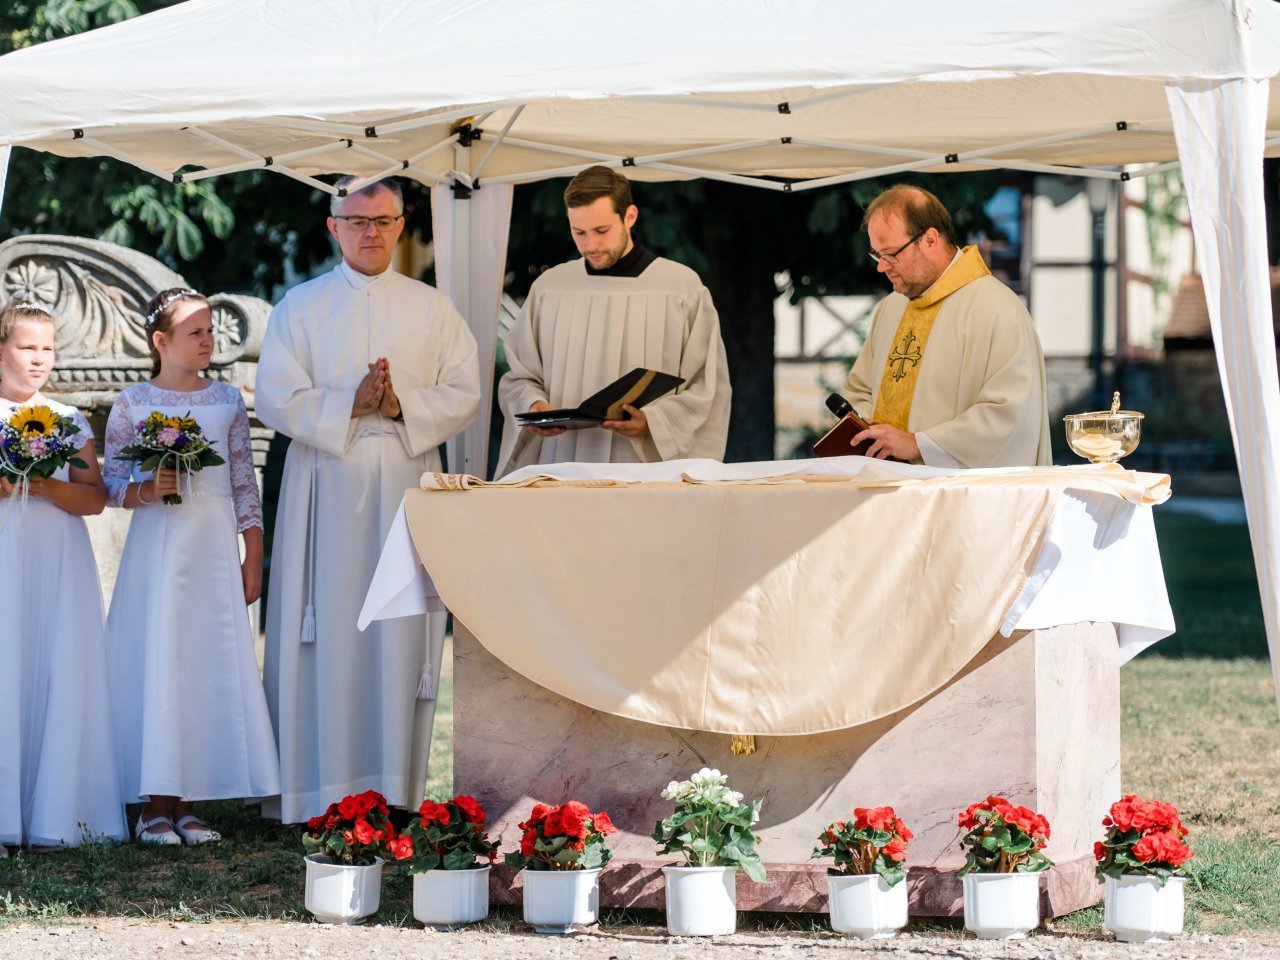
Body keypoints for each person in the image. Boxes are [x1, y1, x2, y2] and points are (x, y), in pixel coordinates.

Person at [256, 176, 481, 823]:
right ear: (333, 227)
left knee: (396, 624)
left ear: (402, 225)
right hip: (325, 482)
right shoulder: (299, 306)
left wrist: (400, 403)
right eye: (356, 221)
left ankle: (395, 789)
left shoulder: (432, 308)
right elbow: (274, 393)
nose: (371, 233)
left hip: (404, 476)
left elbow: (465, 389)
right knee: (322, 629)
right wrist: (344, 407)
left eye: (383, 220)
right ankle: (312, 788)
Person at [103, 288, 279, 845]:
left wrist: (253, 553)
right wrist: (143, 487)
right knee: (159, 663)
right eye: (196, 332)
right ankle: (152, 805)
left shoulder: (227, 400)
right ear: (161, 341)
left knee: (204, 665)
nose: (209, 341)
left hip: (210, 552)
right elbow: (108, 483)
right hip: (158, 552)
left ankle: (187, 802)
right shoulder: (132, 404)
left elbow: (243, 482)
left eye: (210, 332)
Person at [496, 165, 731, 475]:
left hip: (643, 475)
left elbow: (707, 387)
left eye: (601, 231)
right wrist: (534, 406)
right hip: (561, 467)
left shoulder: (680, 288)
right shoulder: (550, 288)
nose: (590, 244)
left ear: (629, 216)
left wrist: (653, 422)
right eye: (579, 232)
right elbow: (520, 377)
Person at [0, 301, 126, 853]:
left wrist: (48, 486)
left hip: (57, 565)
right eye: (27, 347)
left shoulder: (67, 420)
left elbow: (96, 499)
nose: (39, 359)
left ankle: (58, 809)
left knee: (55, 667)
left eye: (48, 348)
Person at [840, 185, 1051, 467]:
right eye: (878, 255)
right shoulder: (891, 308)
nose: (882, 267)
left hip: (960, 498)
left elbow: (1009, 413)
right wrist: (867, 425)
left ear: (930, 239)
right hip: (888, 489)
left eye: (891, 254)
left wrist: (918, 444)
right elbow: (860, 390)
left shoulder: (995, 309)